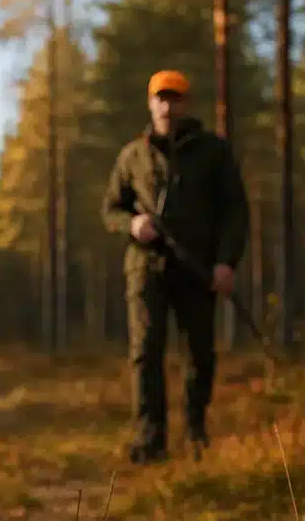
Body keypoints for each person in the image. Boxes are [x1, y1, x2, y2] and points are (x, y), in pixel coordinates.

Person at [100, 69, 249, 463]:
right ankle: (150, 440)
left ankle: (196, 433)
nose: (168, 105)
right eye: (161, 98)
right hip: (145, 269)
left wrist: (226, 263)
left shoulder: (214, 151)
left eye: (175, 98)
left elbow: (235, 211)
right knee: (145, 352)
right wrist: (131, 224)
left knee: (199, 353)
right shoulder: (132, 155)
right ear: (150, 102)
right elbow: (110, 209)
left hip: (199, 269)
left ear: (186, 103)